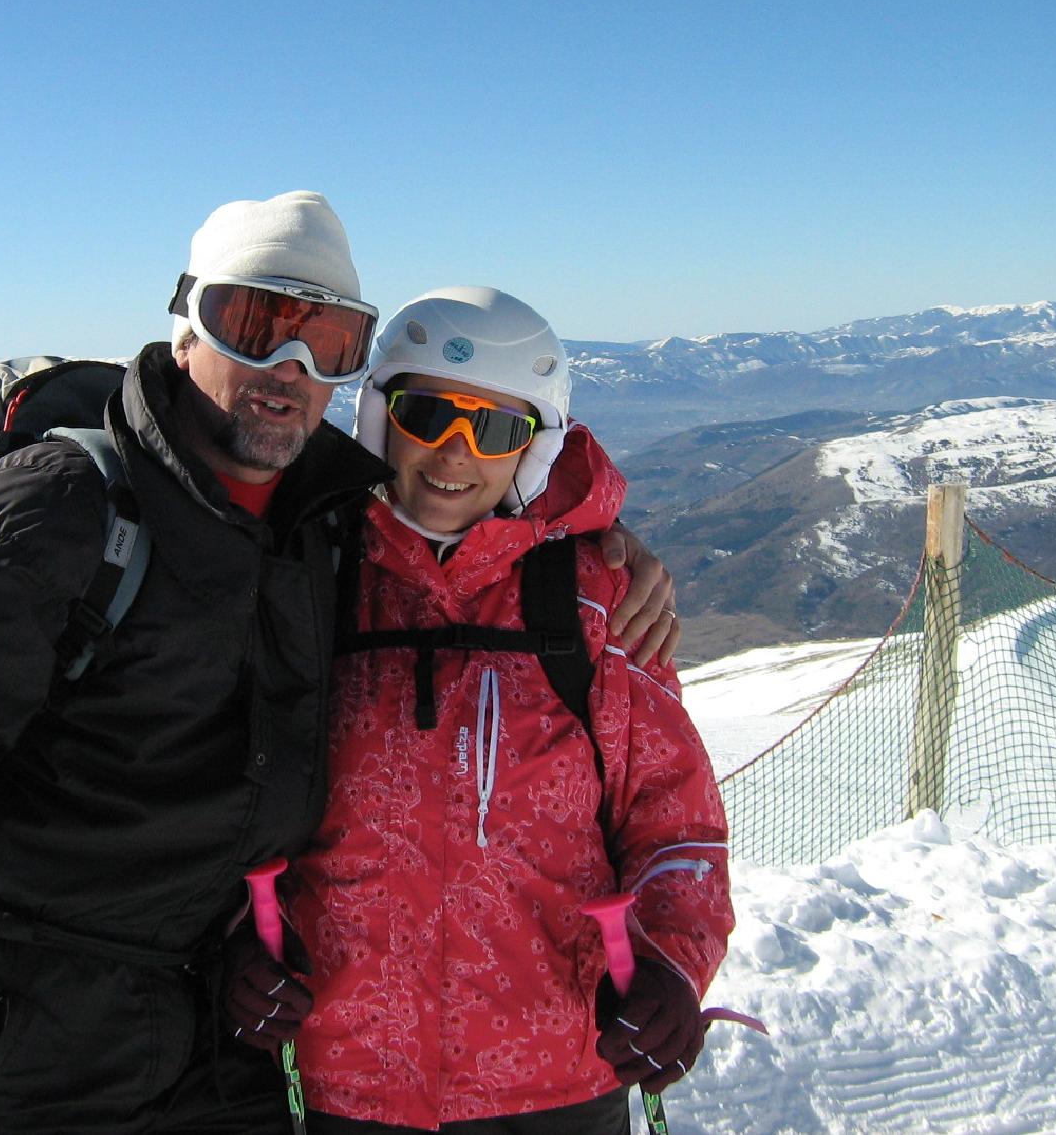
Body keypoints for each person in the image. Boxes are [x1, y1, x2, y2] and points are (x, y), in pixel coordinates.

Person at [0, 196, 678, 1133]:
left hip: (222, 1048)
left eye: (329, 341)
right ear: (186, 327)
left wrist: (592, 541)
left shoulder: (325, 523)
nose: (291, 366)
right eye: (254, 324)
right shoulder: (61, 508)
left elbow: (480, 537)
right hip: (15, 1042)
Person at [225, 287, 732, 1133]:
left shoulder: (591, 604)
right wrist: (235, 938)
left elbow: (676, 822)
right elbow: (228, 785)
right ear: (381, 419)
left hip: (558, 1080)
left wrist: (672, 968)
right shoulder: (311, 577)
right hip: (349, 1076)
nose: (456, 451)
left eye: (495, 428)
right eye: (427, 414)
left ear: (533, 450)